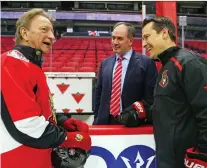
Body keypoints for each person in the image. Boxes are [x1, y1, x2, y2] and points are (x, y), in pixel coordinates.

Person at [1, 8, 91, 168]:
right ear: (24, 33)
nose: (52, 36)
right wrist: (68, 138)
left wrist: (62, 121)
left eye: (52, 31)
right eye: (44, 29)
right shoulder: (10, 64)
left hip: (34, 158)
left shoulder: (28, 65)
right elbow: (26, 124)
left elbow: (37, 108)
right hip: (17, 159)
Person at [118, 16, 207, 168]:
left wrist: (203, 155)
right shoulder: (166, 67)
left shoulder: (189, 63)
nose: (144, 44)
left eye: (147, 37)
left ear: (164, 33)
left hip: (187, 160)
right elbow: (173, 109)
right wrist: (143, 113)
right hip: (168, 158)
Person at [93, 22, 158, 125]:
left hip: (132, 123)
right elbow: (98, 94)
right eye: (113, 38)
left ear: (130, 41)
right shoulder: (105, 63)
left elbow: (150, 98)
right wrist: (97, 117)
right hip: (105, 121)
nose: (115, 42)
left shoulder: (146, 63)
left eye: (119, 38)